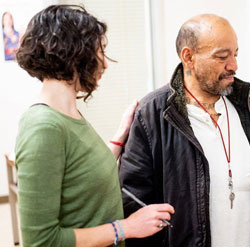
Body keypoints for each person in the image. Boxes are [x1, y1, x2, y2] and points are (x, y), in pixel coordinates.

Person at [119, 14, 250, 247]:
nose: (234, 66)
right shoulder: (152, 113)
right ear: (188, 57)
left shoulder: (242, 105)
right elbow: (132, 198)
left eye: (235, 54)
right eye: (222, 57)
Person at [15, 5, 174, 247]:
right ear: (74, 52)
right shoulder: (44, 128)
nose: (105, 64)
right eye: (100, 51)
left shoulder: (68, 114)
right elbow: (41, 241)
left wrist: (120, 135)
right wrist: (127, 227)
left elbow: (83, 178)